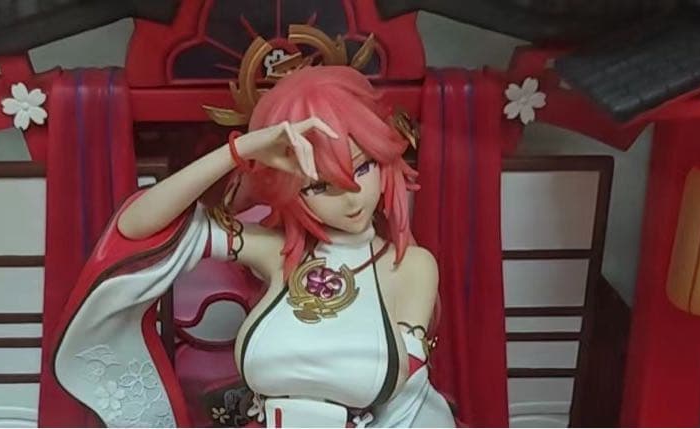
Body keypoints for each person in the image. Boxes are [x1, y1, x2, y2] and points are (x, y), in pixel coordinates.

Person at [53, 65, 456, 428]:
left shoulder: (410, 266)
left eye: (363, 166)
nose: (352, 197)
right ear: (288, 189)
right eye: (319, 186)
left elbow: (402, 391)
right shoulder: (277, 253)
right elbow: (137, 227)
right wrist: (242, 151)